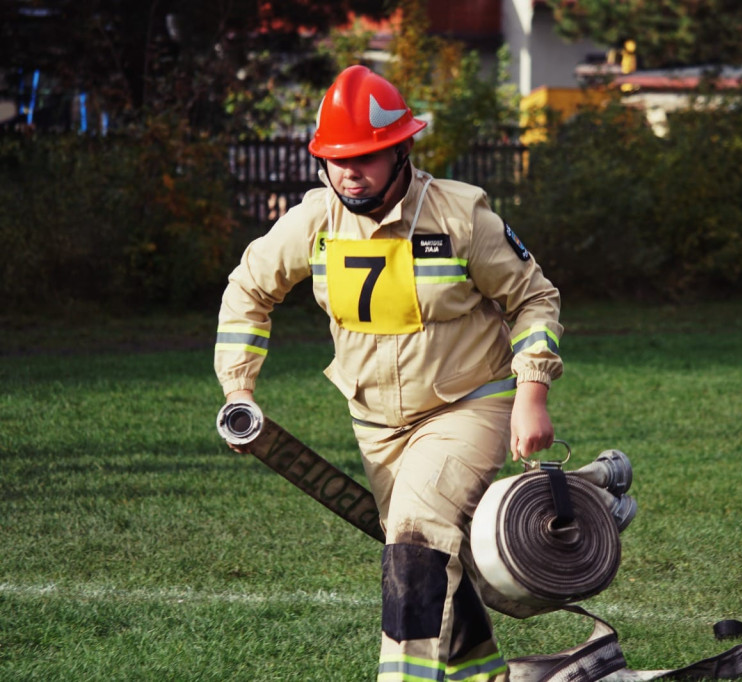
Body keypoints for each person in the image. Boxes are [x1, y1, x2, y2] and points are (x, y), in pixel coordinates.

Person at [214, 65, 563, 681]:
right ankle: (482, 675)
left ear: (401, 149)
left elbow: (533, 298)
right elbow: (248, 289)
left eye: (369, 156)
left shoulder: (460, 216)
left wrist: (532, 392)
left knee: (416, 538)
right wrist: (239, 386)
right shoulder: (314, 221)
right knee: (425, 557)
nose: (352, 171)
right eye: (337, 157)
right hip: (374, 423)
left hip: (468, 405)